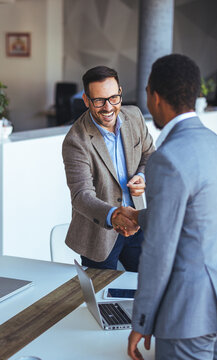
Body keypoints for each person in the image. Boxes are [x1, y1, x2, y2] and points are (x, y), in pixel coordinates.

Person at [113, 54, 217, 359]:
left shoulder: (167, 157)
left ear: (156, 96)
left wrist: (142, 319)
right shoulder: (216, 144)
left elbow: (159, 250)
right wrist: (140, 217)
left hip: (190, 313)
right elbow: (198, 218)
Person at [62, 66, 154, 271]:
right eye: (99, 101)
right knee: (100, 298)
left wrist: (142, 175)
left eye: (113, 98)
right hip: (98, 234)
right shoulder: (75, 140)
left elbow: (150, 154)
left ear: (120, 92)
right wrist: (114, 215)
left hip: (137, 221)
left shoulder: (135, 116)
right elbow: (81, 195)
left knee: (149, 284)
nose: (108, 107)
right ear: (86, 100)